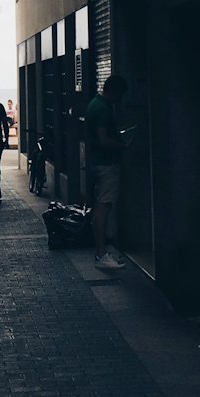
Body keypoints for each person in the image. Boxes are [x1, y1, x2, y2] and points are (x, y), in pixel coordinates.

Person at [84, 74, 129, 270]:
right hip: (106, 164)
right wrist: (122, 145)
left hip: (96, 162)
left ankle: (101, 252)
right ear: (115, 91)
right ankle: (101, 254)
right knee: (103, 207)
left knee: (99, 207)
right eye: (120, 95)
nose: (121, 100)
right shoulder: (102, 109)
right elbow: (103, 140)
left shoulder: (94, 103)